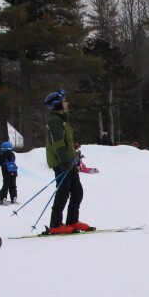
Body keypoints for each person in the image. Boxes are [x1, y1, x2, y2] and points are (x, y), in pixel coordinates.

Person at [44, 90, 94, 234]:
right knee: (63, 193)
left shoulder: (62, 119)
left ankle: (72, 220)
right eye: (64, 100)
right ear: (58, 104)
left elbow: (66, 140)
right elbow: (58, 144)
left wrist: (73, 150)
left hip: (69, 162)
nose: (67, 102)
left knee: (77, 192)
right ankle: (55, 224)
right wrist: (65, 160)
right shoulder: (54, 121)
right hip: (61, 163)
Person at [0, 140, 18, 205]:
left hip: (6, 173)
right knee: (13, 185)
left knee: (5, 185)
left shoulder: (3, 155)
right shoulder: (12, 154)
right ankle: (14, 198)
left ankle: (3, 198)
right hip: (14, 171)